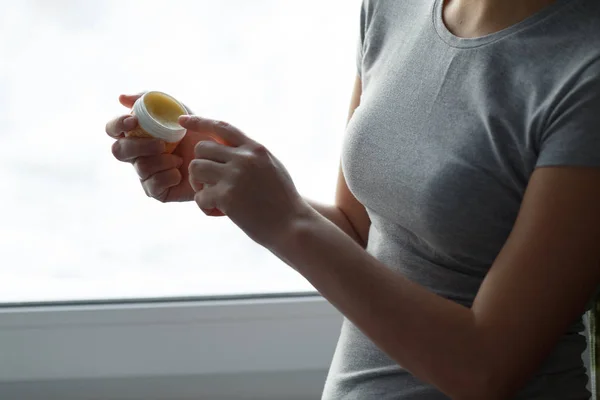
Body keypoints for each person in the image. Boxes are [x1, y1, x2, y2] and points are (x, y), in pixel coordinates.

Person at [105, 0, 600, 398]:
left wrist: (288, 221)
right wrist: (230, 177)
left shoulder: (585, 71)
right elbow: (362, 234)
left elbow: (485, 370)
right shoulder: (393, 8)